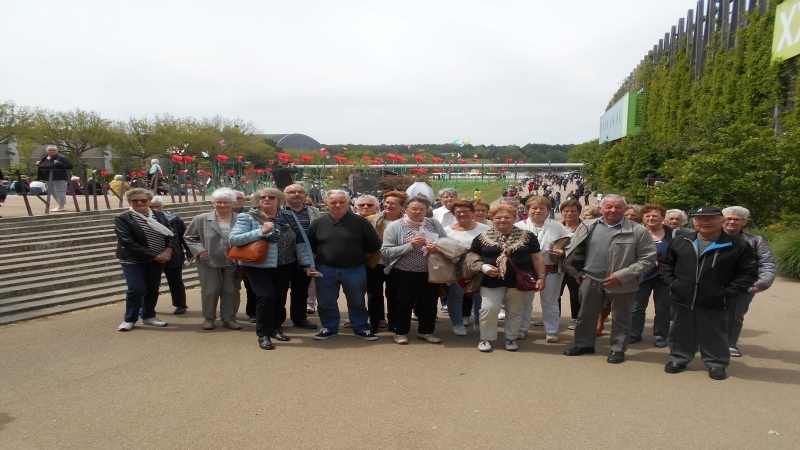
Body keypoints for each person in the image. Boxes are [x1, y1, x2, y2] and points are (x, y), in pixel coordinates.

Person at [660, 205, 757, 380]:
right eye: (701, 219)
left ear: (721, 221)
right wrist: (673, 283)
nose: (706, 222)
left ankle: (716, 363)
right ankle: (679, 358)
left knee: (715, 332)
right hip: (682, 296)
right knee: (680, 330)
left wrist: (726, 292)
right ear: (694, 222)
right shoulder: (682, 240)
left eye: (711, 218)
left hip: (717, 299)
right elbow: (666, 264)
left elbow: (747, 273)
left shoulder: (737, 245)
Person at [563, 194, 656, 363]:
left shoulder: (638, 231)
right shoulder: (587, 226)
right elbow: (573, 248)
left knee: (621, 317)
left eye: (618, 207)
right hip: (590, 279)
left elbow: (647, 259)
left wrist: (621, 276)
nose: (613, 210)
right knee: (586, 315)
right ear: (600, 209)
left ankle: (617, 349)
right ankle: (584, 344)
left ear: (625, 209)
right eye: (608, 207)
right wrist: (577, 272)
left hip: (623, 282)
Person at [230, 187, 315, 350]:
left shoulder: (288, 216)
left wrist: (307, 264)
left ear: (279, 200)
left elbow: (299, 240)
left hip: (285, 263)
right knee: (266, 296)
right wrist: (260, 231)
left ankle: (275, 327)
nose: (267, 199)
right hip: (258, 264)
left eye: (271, 197)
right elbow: (234, 239)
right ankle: (263, 334)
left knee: (279, 297)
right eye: (262, 197)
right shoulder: (247, 217)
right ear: (257, 200)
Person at [470, 204, 546, 352]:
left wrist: (541, 277)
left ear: (514, 218)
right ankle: (486, 338)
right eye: (498, 217)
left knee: (515, 311)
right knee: (488, 309)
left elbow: (537, 258)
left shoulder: (528, 236)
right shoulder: (481, 237)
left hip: (518, 281)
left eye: (507, 217)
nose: (502, 220)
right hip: (490, 281)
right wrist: (484, 267)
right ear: (492, 219)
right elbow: (472, 257)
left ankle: (511, 338)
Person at [307, 190, 382, 341]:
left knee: (357, 301)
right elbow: (311, 246)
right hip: (325, 269)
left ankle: (361, 327)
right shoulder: (318, 223)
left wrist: (359, 257)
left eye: (342, 201)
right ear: (326, 204)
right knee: (326, 301)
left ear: (349, 203)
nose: (338, 205)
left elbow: (373, 244)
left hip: (354, 269)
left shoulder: (360, 222)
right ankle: (329, 327)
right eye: (333, 202)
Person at [381, 196, 448, 344]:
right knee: (403, 303)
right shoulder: (395, 226)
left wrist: (437, 247)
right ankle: (401, 332)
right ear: (405, 209)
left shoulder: (433, 223)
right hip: (403, 272)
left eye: (422, 209)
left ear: (426, 211)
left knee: (429, 302)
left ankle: (426, 331)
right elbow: (385, 251)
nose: (418, 212)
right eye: (414, 208)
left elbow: (446, 242)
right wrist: (410, 246)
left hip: (430, 271)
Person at [114, 188, 178, 331]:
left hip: (158, 259)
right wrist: (154, 255)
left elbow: (172, 234)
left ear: (149, 201)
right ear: (129, 201)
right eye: (135, 200)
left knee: (152, 288)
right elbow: (127, 241)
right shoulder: (123, 218)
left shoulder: (159, 215)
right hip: (133, 259)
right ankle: (129, 319)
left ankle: (148, 315)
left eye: (143, 200)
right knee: (136, 288)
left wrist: (168, 250)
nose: (139, 202)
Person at [722, 206, 777, 358]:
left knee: (735, 316)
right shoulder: (712, 237)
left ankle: (729, 344)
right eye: (728, 218)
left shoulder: (755, 240)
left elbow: (767, 263)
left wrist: (761, 284)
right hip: (714, 284)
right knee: (708, 313)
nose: (732, 222)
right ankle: (705, 342)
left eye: (737, 219)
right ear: (722, 220)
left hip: (742, 287)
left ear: (744, 222)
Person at [183, 188, 242, 329]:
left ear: (233, 203)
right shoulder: (201, 219)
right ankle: (209, 318)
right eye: (219, 202)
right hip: (208, 261)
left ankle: (229, 318)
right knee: (210, 290)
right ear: (213, 203)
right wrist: (201, 251)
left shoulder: (241, 218)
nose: (223, 205)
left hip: (234, 260)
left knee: (231, 290)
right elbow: (189, 237)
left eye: (227, 202)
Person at [515, 196, 571, 342]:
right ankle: (522, 329)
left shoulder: (556, 226)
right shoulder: (519, 227)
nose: (538, 211)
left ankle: (551, 331)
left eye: (542, 208)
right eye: (534, 208)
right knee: (524, 302)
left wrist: (562, 251)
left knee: (550, 302)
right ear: (527, 210)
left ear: (548, 211)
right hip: (526, 271)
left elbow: (572, 241)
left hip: (551, 269)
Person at [629, 204, 685, 347]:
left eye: (655, 215)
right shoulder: (636, 232)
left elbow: (682, 254)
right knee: (637, 307)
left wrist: (667, 262)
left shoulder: (674, 234)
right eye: (647, 215)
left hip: (665, 278)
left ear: (662, 218)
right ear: (643, 218)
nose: (651, 218)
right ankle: (634, 332)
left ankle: (660, 334)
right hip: (642, 276)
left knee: (663, 308)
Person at [444, 200, 490, 335]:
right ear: (453, 214)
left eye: (466, 211)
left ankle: (479, 322)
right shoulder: (447, 231)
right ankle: (457, 323)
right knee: (455, 296)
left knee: (479, 297)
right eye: (458, 212)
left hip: (479, 269)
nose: (462, 214)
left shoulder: (484, 229)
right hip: (456, 269)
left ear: (472, 212)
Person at [365, 190, 408, 333]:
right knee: (374, 295)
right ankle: (375, 323)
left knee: (394, 295)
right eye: (387, 202)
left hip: (397, 263)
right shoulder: (371, 219)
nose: (389, 205)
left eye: (393, 203)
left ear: (402, 206)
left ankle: (394, 323)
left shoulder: (407, 222)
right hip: (375, 263)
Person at [283, 184, 322, 329]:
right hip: (284, 256)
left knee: (301, 290)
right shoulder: (279, 211)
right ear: (284, 194)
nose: (296, 194)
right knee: (280, 289)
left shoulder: (314, 211)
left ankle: (299, 318)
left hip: (306, 256)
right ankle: (278, 319)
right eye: (292, 192)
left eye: (300, 192)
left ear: (305, 195)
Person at [150, 196, 191, 315]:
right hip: (153, 257)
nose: (154, 209)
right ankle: (147, 306)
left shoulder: (174, 219)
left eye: (157, 206)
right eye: (151, 207)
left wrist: (189, 252)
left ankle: (180, 304)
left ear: (162, 207)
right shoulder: (143, 220)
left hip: (174, 255)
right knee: (152, 284)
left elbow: (185, 236)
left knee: (176, 282)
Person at [559, 200, 583, 330]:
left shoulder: (585, 228)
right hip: (558, 266)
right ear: (561, 212)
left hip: (576, 267)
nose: (569, 214)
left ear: (579, 212)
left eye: (573, 211)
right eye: (566, 211)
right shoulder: (557, 227)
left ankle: (575, 318)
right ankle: (554, 317)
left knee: (576, 294)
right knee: (556, 293)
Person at [36, 145, 73, 211]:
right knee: (53, 192)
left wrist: (59, 164)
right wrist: (39, 164)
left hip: (59, 177)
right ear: (47, 151)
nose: (52, 151)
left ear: (57, 151)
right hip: (47, 178)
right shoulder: (44, 159)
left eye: (54, 150)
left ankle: (61, 206)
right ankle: (60, 205)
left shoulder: (61, 158)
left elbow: (69, 166)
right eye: (50, 150)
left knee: (60, 191)